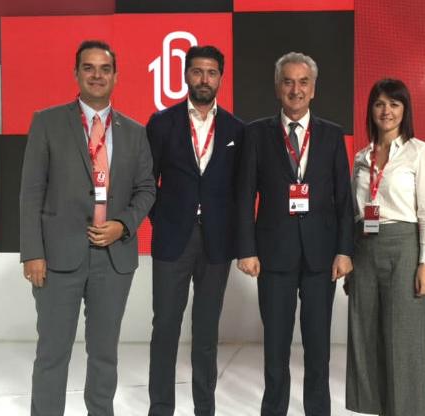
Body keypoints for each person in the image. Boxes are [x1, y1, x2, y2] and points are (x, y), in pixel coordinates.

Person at [19, 39, 155, 416]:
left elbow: (146, 189)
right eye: (89, 68)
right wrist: (32, 253)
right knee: (52, 353)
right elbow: (31, 192)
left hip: (113, 259)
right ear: (76, 73)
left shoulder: (135, 131)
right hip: (57, 258)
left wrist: (123, 225)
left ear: (116, 76)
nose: (97, 75)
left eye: (105, 69)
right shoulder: (47, 122)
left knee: (104, 355)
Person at [235, 51, 355, 416]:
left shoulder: (332, 135)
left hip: (322, 257)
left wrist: (344, 250)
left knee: (318, 348)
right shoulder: (255, 134)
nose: (296, 89)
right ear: (277, 87)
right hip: (273, 254)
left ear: (314, 89)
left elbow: (343, 198)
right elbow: (244, 195)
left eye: (303, 82)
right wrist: (246, 249)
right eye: (288, 81)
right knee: (276, 347)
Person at [146, 45, 245, 416]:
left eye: (211, 72)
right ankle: (161, 408)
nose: (204, 79)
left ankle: (205, 408)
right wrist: (164, 219)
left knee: (206, 332)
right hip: (173, 240)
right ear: (186, 75)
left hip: (217, 243)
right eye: (198, 71)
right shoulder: (162, 123)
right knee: (165, 328)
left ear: (221, 77)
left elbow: (241, 189)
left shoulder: (236, 129)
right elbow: (146, 181)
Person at [345, 78, 425, 416]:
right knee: (365, 333)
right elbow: (353, 212)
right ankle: (373, 409)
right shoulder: (362, 156)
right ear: (371, 109)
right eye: (379, 104)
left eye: (394, 104)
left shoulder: (420, 152)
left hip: (404, 247)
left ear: (405, 110)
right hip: (364, 248)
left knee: (403, 337)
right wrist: (349, 258)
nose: (386, 111)